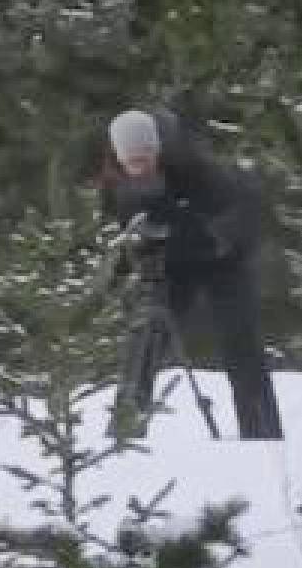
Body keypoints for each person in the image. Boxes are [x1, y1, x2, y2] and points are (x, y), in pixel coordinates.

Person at [98, 108, 284, 440]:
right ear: (119, 158)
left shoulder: (195, 167)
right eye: (133, 162)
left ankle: (262, 434)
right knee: (145, 339)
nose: (140, 168)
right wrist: (134, 262)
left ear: (157, 150)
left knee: (240, 343)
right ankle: (124, 432)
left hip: (224, 261)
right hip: (171, 265)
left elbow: (237, 216)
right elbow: (119, 237)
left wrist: (204, 236)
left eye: (146, 159)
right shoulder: (114, 184)